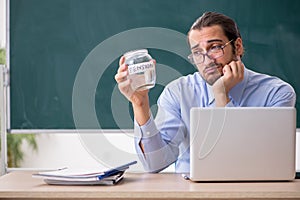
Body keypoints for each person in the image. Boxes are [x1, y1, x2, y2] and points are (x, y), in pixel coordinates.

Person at [114, 11, 296, 173]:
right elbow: (155, 164)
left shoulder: (277, 93)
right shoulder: (178, 92)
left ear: (238, 47)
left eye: (215, 47)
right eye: (197, 53)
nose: (207, 60)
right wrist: (140, 103)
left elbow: (255, 161)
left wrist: (221, 95)